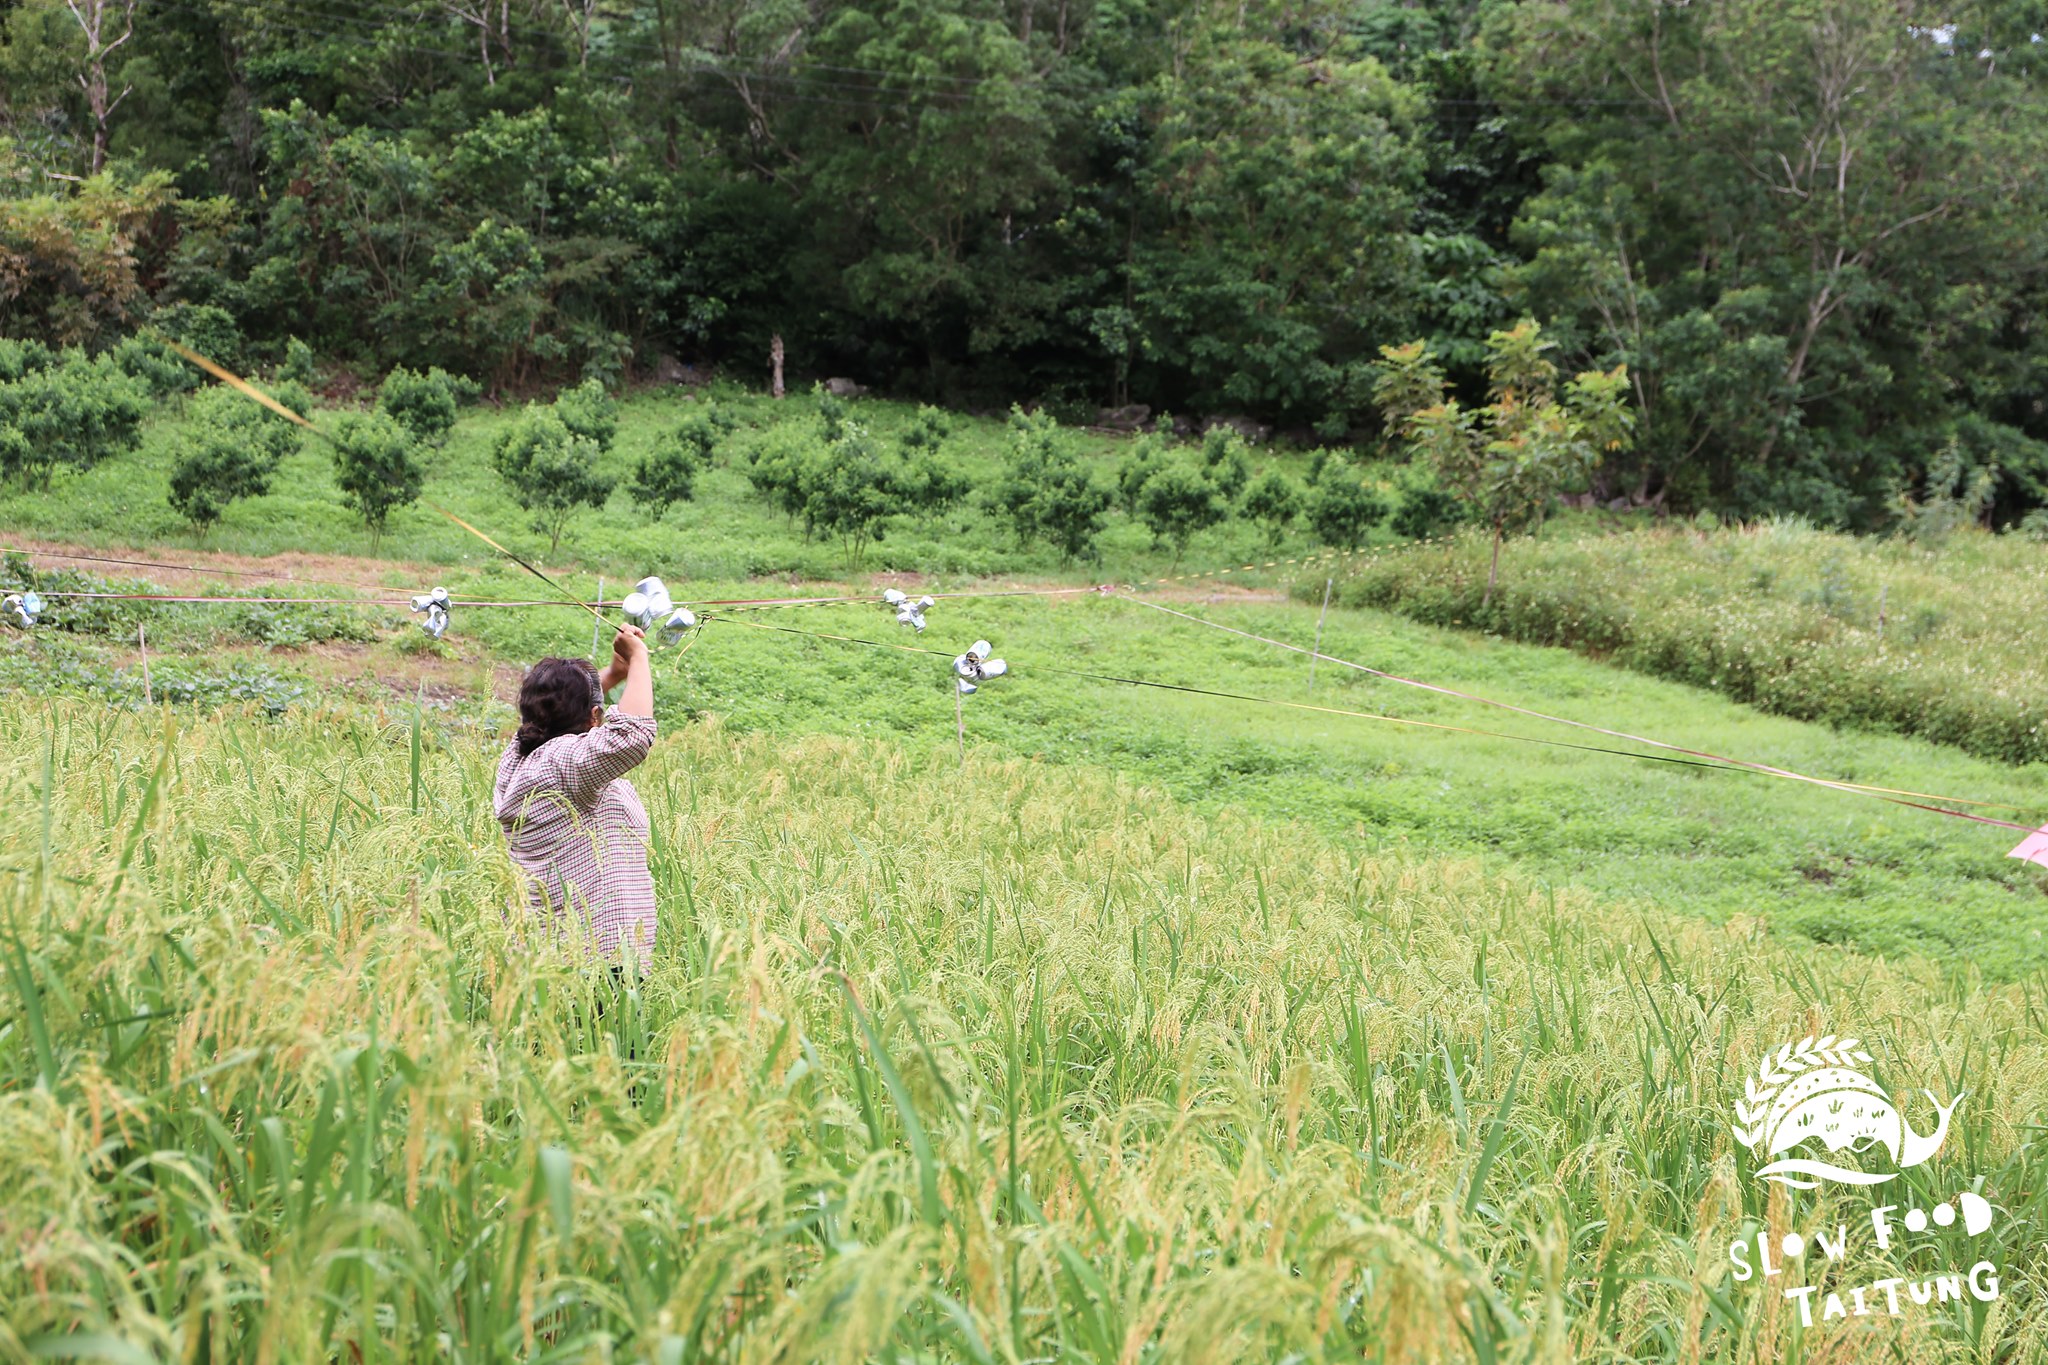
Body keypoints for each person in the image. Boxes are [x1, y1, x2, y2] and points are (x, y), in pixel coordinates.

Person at [494, 624, 658, 972]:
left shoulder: (522, 756)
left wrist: (614, 673)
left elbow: (555, 709)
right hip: (594, 958)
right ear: (595, 716)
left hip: (547, 954)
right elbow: (633, 734)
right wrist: (640, 657)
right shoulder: (567, 763)